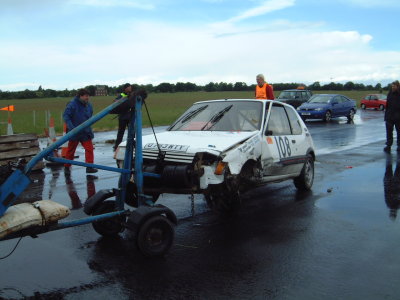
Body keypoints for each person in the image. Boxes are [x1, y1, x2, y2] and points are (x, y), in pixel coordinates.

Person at [63, 88, 98, 173]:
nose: (87, 98)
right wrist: (72, 129)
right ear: (80, 96)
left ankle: (89, 167)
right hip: (75, 132)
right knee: (71, 150)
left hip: (86, 132)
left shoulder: (89, 105)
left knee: (89, 149)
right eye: (86, 96)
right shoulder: (72, 104)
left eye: (88, 96)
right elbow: (66, 117)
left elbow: (90, 115)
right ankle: (67, 167)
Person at [113, 83, 133, 151]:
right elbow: (115, 101)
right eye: (129, 87)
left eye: (131, 87)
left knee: (132, 132)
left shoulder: (132, 95)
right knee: (121, 132)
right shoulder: (121, 95)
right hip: (123, 117)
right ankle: (117, 146)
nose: (130, 88)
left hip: (130, 116)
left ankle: (132, 145)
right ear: (125, 88)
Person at [384, 80, 400, 153]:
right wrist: (386, 116)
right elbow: (387, 105)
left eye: (394, 86)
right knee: (389, 132)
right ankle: (388, 145)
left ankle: (399, 145)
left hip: (398, 117)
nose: (393, 87)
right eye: (392, 86)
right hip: (389, 116)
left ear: (397, 86)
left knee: (399, 132)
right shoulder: (389, 93)